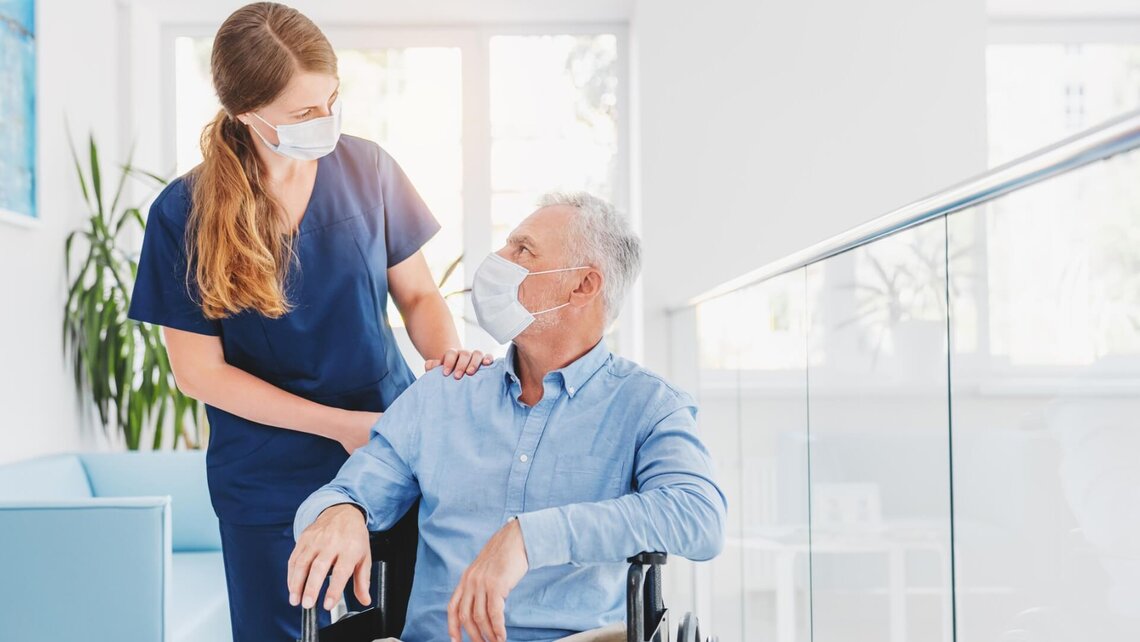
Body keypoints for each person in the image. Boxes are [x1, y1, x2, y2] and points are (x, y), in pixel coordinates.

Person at [126, 4, 491, 641]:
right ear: (246, 114)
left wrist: (444, 369)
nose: (325, 122)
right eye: (302, 114)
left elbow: (420, 298)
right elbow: (198, 373)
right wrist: (338, 426)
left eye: (331, 101)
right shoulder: (182, 214)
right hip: (270, 478)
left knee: (401, 627)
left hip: (387, 452)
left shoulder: (368, 169)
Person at [289, 192, 727, 642]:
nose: (499, 259)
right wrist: (340, 510)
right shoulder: (444, 393)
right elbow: (350, 490)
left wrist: (529, 538)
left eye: (523, 250)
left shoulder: (648, 405)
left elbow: (699, 516)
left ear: (582, 286)